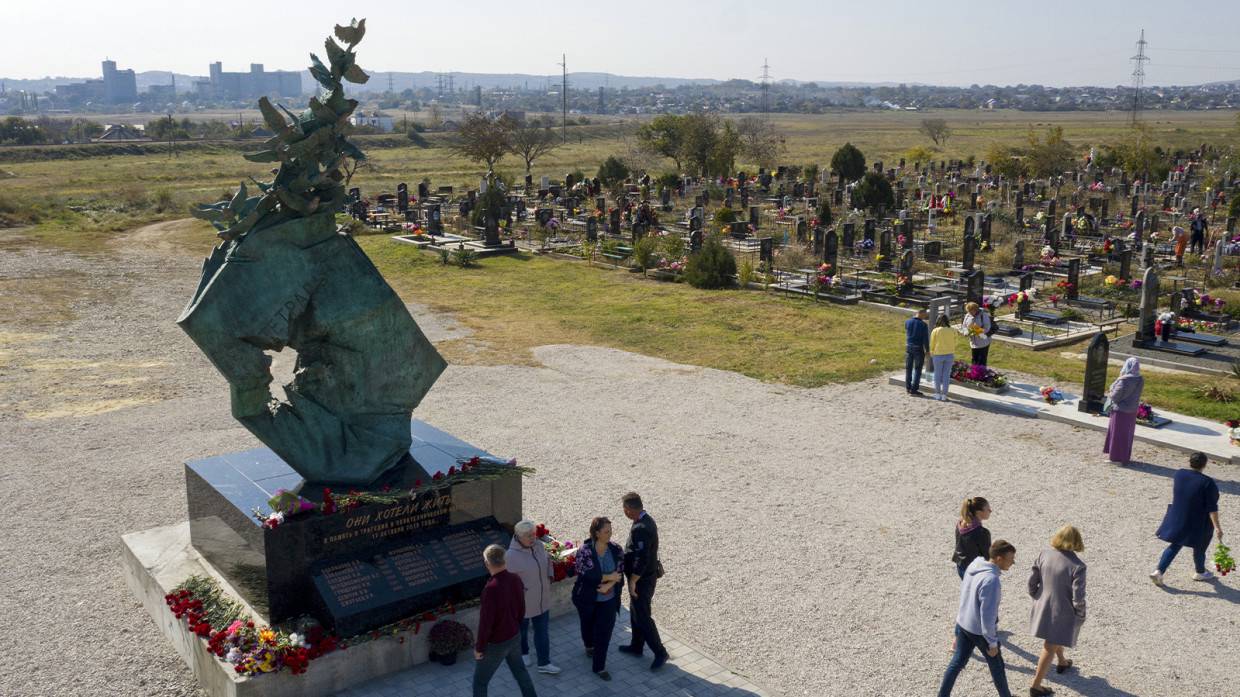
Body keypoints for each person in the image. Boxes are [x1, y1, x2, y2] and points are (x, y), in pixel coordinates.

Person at [938, 540, 1017, 697]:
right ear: (999, 558)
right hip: (979, 631)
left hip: (963, 623)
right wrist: (992, 642)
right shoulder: (991, 580)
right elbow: (987, 616)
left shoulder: (975, 564)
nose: (1013, 562)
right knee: (997, 666)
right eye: (1011, 559)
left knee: (957, 663)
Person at [1027, 526, 1088, 697]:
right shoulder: (1078, 566)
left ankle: (1062, 661)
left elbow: (1032, 582)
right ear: (1077, 542)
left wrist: (1036, 596)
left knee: (1054, 638)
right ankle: (1035, 686)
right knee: (1050, 644)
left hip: (1042, 604)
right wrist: (1080, 613)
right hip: (1062, 610)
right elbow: (1078, 597)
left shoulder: (1043, 554)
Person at [473, 544, 538, 697]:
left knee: (480, 683)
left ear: (487, 563)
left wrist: (479, 648)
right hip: (514, 636)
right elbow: (521, 608)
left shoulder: (490, 589)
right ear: (505, 560)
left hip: (496, 644)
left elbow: (485, 624)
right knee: (521, 673)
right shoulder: (515, 579)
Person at [1151, 452, 1224, 585]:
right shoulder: (1208, 483)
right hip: (1198, 522)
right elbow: (1212, 508)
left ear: (1189, 462)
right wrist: (1218, 527)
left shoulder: (1179, 474)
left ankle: (1159, 571)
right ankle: (1200, 572)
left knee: (1175, 545)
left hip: (1179, 517)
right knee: (1200, 547)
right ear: (1205, 465)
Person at [618, 492, 669, 670]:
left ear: (630, 509)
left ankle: (660, 652)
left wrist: (633, 580)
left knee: (643, 615)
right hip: (645, 577)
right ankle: (637, 645)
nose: (624, 512)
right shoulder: (647, 519)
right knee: (635, 612)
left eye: (625, 509)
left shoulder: (641, 527)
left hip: (642, 580)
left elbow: (642, 558)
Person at [572, 517, 625, 681]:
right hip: (586, 599)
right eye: (606, 531)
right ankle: (589, 646)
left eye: (611, 530)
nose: (610, 534)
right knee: (587, 627)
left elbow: (620, 574)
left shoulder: (616, 549)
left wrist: (608, 586)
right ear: (596, 533)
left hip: (608, 600)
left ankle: (599, 667)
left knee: (604, 633)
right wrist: (609, 577)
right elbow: (586, 575)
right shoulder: (585, 551)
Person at [506, 521, 560, 674]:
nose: (532, 538)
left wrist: (550, 575)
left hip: (542, 599)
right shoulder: (510, 556)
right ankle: (523, 653)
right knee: (521, 631)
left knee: (542, 631)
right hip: (522, 603)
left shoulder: (539, 546)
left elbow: (548, 561)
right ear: (518, 537)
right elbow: (507, 582)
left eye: (534, 534)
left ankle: (544, 663)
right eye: (528, 536)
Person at [1103, 357, 1143, 465]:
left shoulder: (1124, 380)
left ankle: (1116, 459)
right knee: (1126, 435)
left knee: (1117, 434)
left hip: (1120, 411)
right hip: (1132, 411)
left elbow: (1115, 397)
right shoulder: (1140, 378)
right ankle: (1124, 457)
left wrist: (1111, 390)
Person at [953, 497, 993, 579]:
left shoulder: (960, 524)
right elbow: (988, 556)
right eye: (988, 509)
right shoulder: (982, 532)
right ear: (979, 512)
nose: (990, 511)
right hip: (974, 570)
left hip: (961, 565)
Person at [930, 314, 957, 401]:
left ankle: (937, 394)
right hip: (950, 354)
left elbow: (932, 343)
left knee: (937, 375)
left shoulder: (936, 330)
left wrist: (932, 352)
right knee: (946, 375)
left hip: (938, 354)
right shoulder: (953, 330)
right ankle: (944, 395)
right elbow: (956, 342)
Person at [905, 309, 931, 396]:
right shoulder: (923, 324)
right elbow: (925, 339)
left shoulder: (907, 321)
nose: (925, 317)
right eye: (925, 315)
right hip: (918, 348)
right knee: (917, 369)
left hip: (908, 346)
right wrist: (927, 350)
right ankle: (914, 389)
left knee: (908, 368)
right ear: (921, 314)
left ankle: (908, 387)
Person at [962, 302, 992, 367]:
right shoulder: (968, 315)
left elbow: (987, 327)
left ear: (975, 309)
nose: (969, 313)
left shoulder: (983, 315)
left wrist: (976, 330)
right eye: (968, 311)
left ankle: (982, 374)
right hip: (973, 342)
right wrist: (966, 332)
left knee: (982, 360)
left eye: (971, 311)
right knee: (974, 359)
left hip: (983, 341)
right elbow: (964, 326)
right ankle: (974, 373)